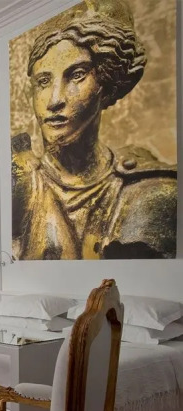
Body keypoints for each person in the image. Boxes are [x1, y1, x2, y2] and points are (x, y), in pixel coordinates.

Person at [11, 0, 177, 260]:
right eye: (43, 81)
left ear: (107, 86)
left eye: (76, 74)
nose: (55, 100)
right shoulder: (16, 183)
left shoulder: (150, 191)